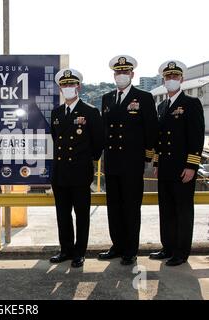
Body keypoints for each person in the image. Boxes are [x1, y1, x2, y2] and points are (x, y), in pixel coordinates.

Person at [99, 55, 158, 265]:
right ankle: (117, 245)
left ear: (132, 74)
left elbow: (151, 131)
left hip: (132, 164)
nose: (121, 75)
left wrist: (147, 159)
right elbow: (104, 130)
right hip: (112, 163)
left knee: (131, 208)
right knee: (113, 207)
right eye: (118, 72)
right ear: (114, 75)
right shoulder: (106, 98)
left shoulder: (144, 97)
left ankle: (130, 250)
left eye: (125, 72)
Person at [150, 60, 204, 266]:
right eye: (168, 77)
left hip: (183, 169)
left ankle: (181, 253)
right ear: (163, 80)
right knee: (166, 209)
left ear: (182, 79)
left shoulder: (191, 103)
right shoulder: (162, 105)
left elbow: (197, 138)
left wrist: (191, 166)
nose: (171, 80)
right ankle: (168, 247)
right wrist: (156, 163)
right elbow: (159, 139)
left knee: (182, 210)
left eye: (175, 76)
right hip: (165, 167)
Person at [49, 68, 104, 268]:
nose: (68, 88)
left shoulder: (90, 112)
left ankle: (79, 252)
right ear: (60, 88)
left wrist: (85, 161)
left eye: (71, 84)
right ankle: (66, 250)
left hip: (80, 173)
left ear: (78, 86)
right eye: (64, 85)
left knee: (81, 215)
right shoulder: (56, 113)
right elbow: (56, 140)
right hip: (60, 173)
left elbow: (98, 143)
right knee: (62, 215)